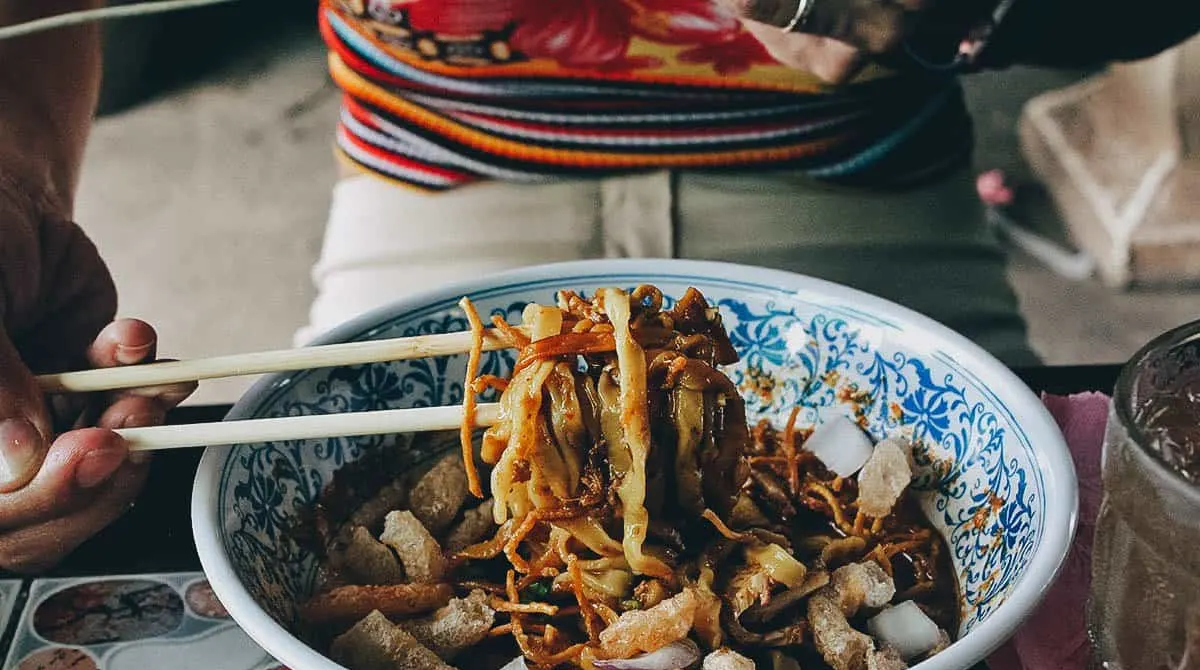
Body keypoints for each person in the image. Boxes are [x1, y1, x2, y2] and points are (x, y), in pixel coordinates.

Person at [0, 0, 1196, 574]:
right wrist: (13, 171)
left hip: (858, 179)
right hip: (442, 176)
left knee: (1033, 569)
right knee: (308, 562)